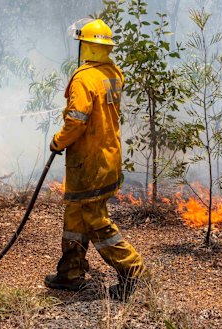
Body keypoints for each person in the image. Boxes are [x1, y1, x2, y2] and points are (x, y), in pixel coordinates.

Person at [44, 18, 147, 301]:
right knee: (75, 215)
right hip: (107, 158)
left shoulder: (83, 77)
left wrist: (58, 141)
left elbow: (76, 120)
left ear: (86, 46)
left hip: (89, 163)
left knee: (94, 219)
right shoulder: (112, 72)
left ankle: (134, 271)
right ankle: (70, 273)